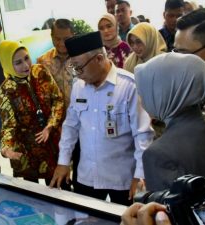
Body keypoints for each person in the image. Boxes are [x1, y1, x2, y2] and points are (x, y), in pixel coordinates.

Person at [49, 31, 154, 206]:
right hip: (87, 175)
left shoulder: (129, 86)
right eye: (73, 67)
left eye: (79, 67)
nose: (77, 73)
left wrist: (140, 174)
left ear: (98, 59)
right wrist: (63, 162)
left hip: (122, 177)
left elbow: (142, 134)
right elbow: (70, 127)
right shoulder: (79, 87)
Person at [135, 53, 205, 192]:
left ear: (163, 93)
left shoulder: (158, 154)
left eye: (144, 92)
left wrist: (145, 196)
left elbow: (166, 211)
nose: (141, 99)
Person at [0, 40, 65, 186]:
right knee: (34, 195)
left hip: (51, 142)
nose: (26, 65)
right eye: (18, 62)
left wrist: (50, 125)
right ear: (8, 64)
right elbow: (8, 124)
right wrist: (6, 148)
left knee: (60, 188)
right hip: (27, 149)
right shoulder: (6, 89)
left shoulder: (40, 72)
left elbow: (58, 99)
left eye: (26, 58)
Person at [37, 18, 79, 188]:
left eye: (66, 39)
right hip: (55, 127)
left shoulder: (81, 58)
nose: (61, 43)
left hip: (81, 122)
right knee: (58, 177)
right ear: (51, 36)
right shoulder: (42, 61)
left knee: (82, 171)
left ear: (73, 36)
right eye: (57, 38)